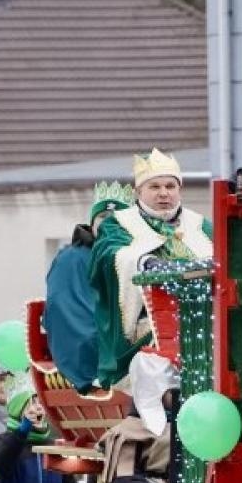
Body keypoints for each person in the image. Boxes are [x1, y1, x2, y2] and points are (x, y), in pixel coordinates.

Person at [88, 149, 214, 388]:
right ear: (138, 192)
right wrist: (144, 262)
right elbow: (108, 255)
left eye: (170, 186)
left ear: (180, 190)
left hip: (204, 318)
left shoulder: (200, 225)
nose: (164, 193)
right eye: (154, 187)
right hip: (149, 321)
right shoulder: (120, 223)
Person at [43, 182, 135, 391]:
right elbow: (66, 310)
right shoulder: (72, 259)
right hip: (93, 345)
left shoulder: (139, 257)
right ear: (92, 223)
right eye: (102, 218)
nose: (107, 225)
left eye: (116, 219)